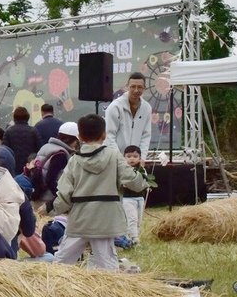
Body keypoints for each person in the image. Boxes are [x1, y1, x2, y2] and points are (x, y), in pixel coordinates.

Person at [52, 114, 149, 270]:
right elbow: (134, 182)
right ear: (104, 135)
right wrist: (143, 178)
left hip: (79, 219)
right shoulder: (113, 156)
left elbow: (64, 193)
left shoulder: (74, 160)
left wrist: (53, 209)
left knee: (61, 263)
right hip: (106, 219)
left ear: (80, 136)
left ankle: (50, 291)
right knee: (108, 265)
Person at [32, 120, 81, 211]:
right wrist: (61, 198)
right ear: (72, 140)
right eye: (76, 141)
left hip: (38, 195)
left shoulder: (45, 147)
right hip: (49, 201)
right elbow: (51, 178)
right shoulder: (61, 154)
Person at [104, 72, 152, 156]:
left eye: (140, 87)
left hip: (135, 160)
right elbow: (109, 135)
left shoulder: (147, 108)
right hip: (115, 159)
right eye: (133, 86)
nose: (136, 90)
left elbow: (145, 135)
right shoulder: (115, 107)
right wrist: (119, 159)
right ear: (127, 87)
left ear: (144, 88)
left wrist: (142, 157)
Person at [120, 145, 150, 245]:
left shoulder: (142, 170)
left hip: (140, 198)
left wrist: (147, 186)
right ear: (124, 157)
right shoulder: (123, 170)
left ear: (140, 158)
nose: (132, 159)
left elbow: (145, 182)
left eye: (135, 156)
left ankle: (134, 236)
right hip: (127, 198)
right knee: (131, 218)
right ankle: (133, 238)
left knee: (138, 219)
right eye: (129, 156)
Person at [3, 107, 41, 174]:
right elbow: (39, 149)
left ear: (14, 117)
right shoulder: (33, 131)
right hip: (30, 167)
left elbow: (5, 151)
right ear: (27, 117)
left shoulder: (8, 131)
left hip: (14, 167)